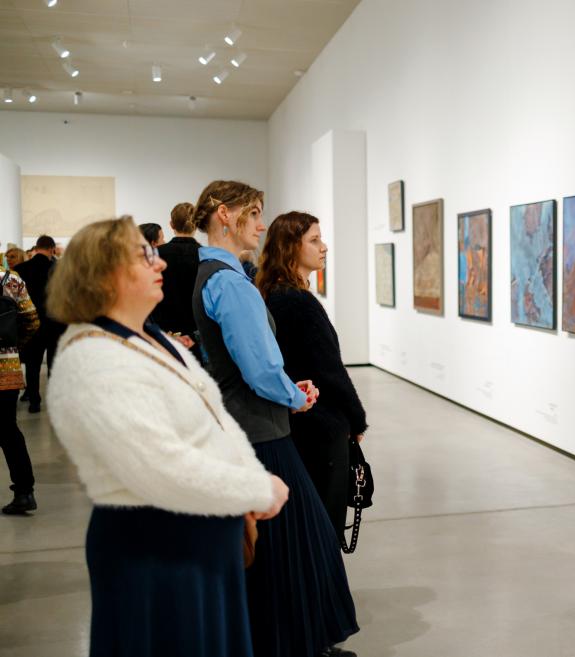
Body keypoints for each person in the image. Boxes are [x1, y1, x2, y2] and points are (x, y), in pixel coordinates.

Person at [45, 216, 289, 657]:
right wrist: (254, 487)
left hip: (199, 543)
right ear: (104, 273)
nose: (160, 264)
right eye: (144, 255)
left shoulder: (155, 339)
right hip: (154, 550)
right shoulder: (92, 359)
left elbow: (215, 416)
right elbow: (155, 464)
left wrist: (246, 478)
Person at [191, 180, 359, 657]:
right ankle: (298, 644)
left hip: (251, 426)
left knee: (280, 548)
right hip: (263, 434)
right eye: (255, 212)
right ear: (226, 214)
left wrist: (286, 389)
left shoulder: (216, 274)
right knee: (299, 547)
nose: (262, 224)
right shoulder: (228, 282)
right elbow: (260, 367)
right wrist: (294, 395)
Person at [258, 211, 368, 545]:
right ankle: (326, 594)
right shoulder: (297, 302)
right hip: (319, 427)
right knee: (325, 523)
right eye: (314, 240)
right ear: (291, 248)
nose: (324, 247)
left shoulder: (271, 295)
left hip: (296, 424)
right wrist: (356, 420)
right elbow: (329, 370)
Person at [0, 260, 40, 514]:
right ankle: (24, 492)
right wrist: (14, 349)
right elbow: (32, 320)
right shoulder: (11, 279)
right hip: (7, 367)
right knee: (8, 429)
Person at [14, 235, 56, 412]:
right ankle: (55, 401)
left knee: (32, 364)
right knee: (54, 364)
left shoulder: (20, 269)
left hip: (31, 323)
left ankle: (34, 401)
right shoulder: (58, 270)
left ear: (37, 247)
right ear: (52, 249)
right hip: (54, 323)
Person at [155, 203, 201, 357]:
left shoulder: (157, 255)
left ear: (171, 224)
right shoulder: (206, 255)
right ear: (196, 224)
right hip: (199, 333)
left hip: (165, 333)